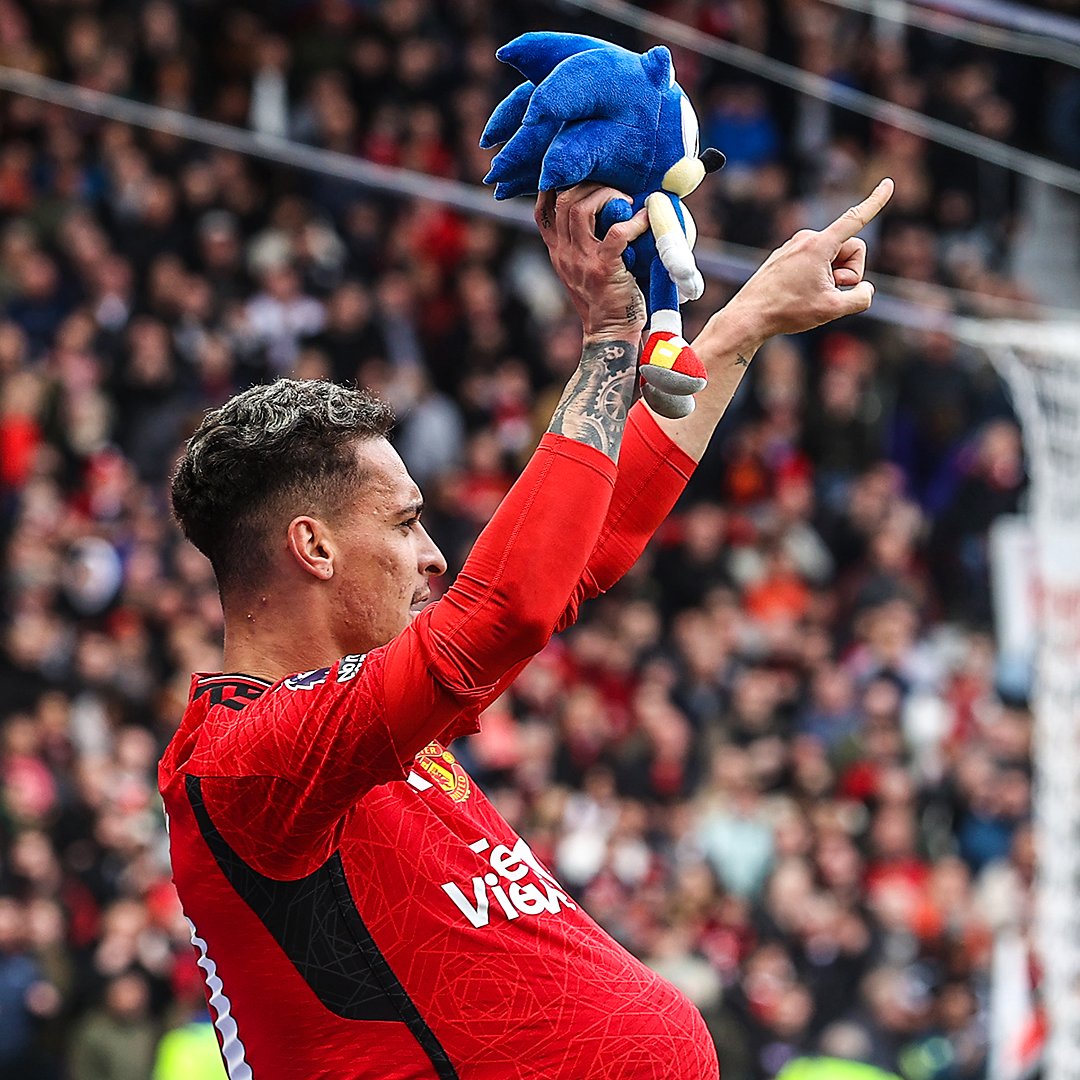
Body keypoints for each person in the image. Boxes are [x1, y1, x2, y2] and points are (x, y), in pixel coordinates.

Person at [159, 178, 894, 1080]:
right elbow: (508, 607)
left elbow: (582, 551)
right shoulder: (245, 765)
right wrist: (609, 337)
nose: (434, 557)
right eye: (403, 524)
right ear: (311, 546)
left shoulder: (371, 732)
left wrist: (745, 326)